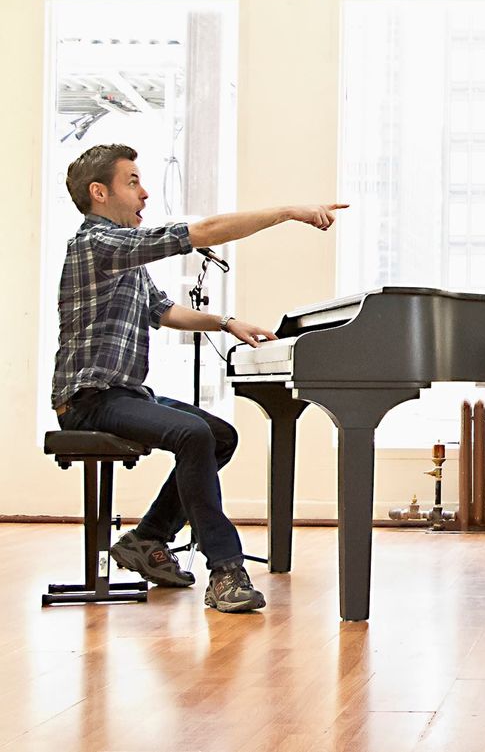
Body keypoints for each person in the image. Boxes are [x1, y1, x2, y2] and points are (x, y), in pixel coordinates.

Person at [52, 143, 347, 613]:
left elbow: (162, 310)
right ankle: (226, 571)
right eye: (133, 182)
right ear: (98, 193)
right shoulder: (97, 243)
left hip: (124, 393)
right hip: (88, 399)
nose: (145, 193)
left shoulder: (123, 256)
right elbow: (203, 231)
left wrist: (227, 323)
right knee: (192, 435)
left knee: (219, 436)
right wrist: (291, 211)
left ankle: (147, 538)